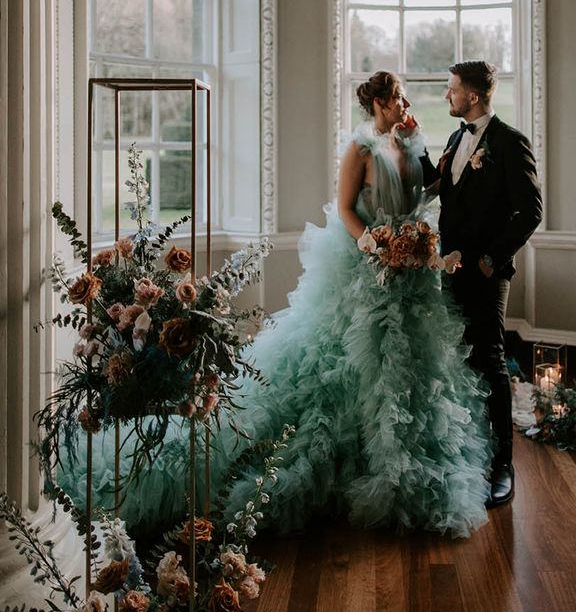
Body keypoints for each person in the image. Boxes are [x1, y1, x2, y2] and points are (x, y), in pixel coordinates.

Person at [60, 71, 493, 538]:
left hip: (408, 282)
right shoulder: (360, 149)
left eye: (407, 99)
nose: (407, 107)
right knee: (340, 371)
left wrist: (421, 227)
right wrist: (374, 243)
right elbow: (346, 208)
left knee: (403, 377)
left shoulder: (409, 146)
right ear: (380, 103)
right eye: (399, 99)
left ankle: (389, 465)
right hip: (366, 276)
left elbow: (417, 196)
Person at [426, 61, 542, 507]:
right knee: (461, 358)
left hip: (487, 274)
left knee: (492, 360)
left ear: (472, 96)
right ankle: (472, 450)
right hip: (449, 270)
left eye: (451, 89)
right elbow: (440, 187)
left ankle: (503, 467)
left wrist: (494, 258)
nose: (447, 96)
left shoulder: (510, 143)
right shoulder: (457, 138)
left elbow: (531, 211)